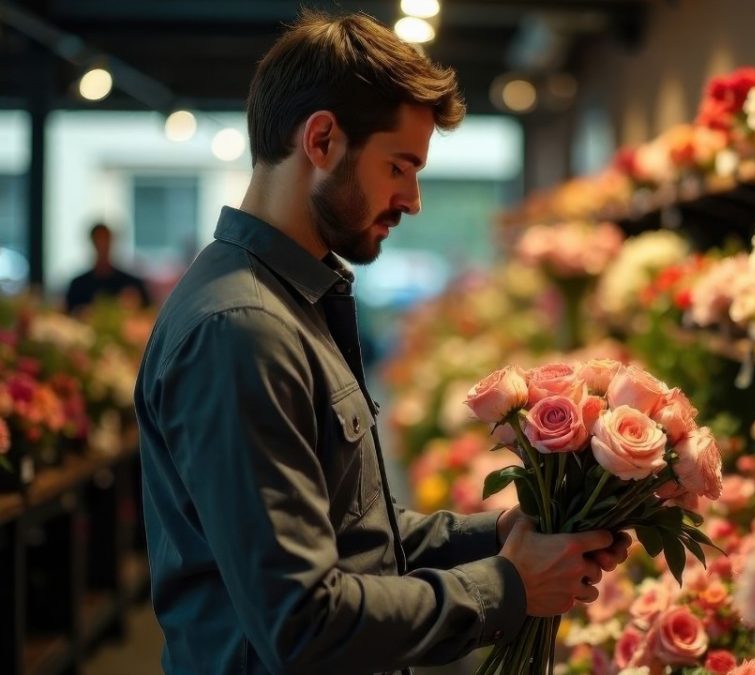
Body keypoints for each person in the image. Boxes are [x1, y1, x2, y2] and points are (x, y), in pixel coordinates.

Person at [134, 10, 630, 675]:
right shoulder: (242, 329)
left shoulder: (287, 302)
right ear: (322, 140)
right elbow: (303, 622)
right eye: (400, 166)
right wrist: (510, 587)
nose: (414, 199)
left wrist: (502, 533)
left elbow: (353, 534)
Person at [65, 222, 151, 314]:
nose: (103, 245)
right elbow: (67, 315)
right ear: (93, 243)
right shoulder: (78, 285)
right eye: (99, 240)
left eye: (105, 240)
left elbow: (148, 313)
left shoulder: (131, 284)